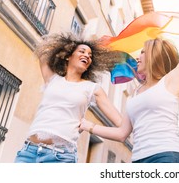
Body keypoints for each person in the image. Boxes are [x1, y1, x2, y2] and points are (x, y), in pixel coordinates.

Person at [80, 17, 179, 163]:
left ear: (154, 55)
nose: (138, 57)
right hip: (138, 159)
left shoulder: (171, 80)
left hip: (166, 156)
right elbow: (122, 133)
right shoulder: (136, 92)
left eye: (142, 52)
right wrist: (88, 126)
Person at [15, 33, 123, 163]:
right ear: (68, 56)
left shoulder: (92, 89)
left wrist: (91, 127)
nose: (87, 56)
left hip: (60, 157)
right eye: (82, 51)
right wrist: (66, 44)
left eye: (90, 56)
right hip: (28, 153)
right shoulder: (52, 79)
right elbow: (43, 49)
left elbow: (121, 124)